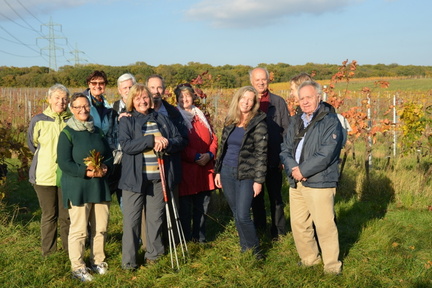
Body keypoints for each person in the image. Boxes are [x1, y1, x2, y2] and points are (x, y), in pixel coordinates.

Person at [280, 80, 343, 275]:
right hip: (296, 180)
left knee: (324, 225)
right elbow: (285, 148)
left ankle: (332, 266)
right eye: (301, 98)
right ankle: (309, 259)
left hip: (320, 181)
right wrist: (293, 169)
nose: (305, 102)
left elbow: (327, 153)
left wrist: (303, 170)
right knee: (299, 224)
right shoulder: (295, 120)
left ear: (318, 97)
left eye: (308, 97)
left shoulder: (330, 121)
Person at [118, 83, 184, 270]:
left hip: (159, 177)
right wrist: (151, 140)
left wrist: (167, 142)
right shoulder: (127, 120)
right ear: (132, 101)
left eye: (145, 97)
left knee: (155, 219)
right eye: (137, 98)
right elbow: (127, 146)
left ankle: (153, 256)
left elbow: (179, 140)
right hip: (134, 180)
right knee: (132, 221)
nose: (142, 101)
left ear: (150, 98)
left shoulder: (162, 118)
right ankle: (129, 262)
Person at [57, 92, 113, 282]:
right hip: (78, 187)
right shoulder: (67, 133)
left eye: (86, 106)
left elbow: (109, 155)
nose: (83, 110)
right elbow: (64, 163)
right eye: (78, 107)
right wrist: (85, 172)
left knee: (101, 228)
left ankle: (98, 261)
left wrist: (106, 167)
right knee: (79, 230)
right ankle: (78, 267)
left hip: (99, 186)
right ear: (72, 110)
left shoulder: (97, 131)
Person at [214, 86, 267, 258]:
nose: (246, 102)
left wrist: (258, 180)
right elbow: (223, 147)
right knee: (236, 213)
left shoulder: (258, 123)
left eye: (250, 99)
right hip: (227, 171)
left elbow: (261, 154)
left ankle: (256, 252)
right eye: (243, 98)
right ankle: (246, 249)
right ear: (238, 99)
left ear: (254, 103)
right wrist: (218, 171)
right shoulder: (230, 120)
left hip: (247, 174)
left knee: (243, 214)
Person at [27, 84, 71, 256]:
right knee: (49, 215)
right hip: (44, 176)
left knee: (66, 216)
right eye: (57, 98)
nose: (61, 101)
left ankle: (70, 251)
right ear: (49, 99)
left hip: (66, 176)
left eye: (64, 98)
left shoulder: (71, 120)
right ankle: (49, 252)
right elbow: (32, 144)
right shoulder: (38, 120)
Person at [145, 75, 188, 247]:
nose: (156, 92)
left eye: (159, 88)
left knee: (171, 205)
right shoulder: (139, 112)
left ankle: (173, 243)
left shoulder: (173, 113)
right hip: (147, 170)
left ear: (164, 89)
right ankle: (152, 245)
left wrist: (168, 144)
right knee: (151, 211)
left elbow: (183, 139)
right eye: (152, 88)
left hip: (169, 166)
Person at [249, 67, 289, 239]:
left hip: (274, 157)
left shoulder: (278, 102)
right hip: (253, 160)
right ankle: (259, 228)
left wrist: (284, 157)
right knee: (255, 197)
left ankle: (278, 231)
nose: (260, 82)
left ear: (268, 80)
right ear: (251, 82)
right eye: (257, 80)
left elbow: (287, 131)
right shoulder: (247, 102)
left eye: (263, 79)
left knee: (276, 197)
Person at [175, 83, 218, 243]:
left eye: (187, 95)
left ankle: (200, 237)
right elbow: (180, 143)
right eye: (181, 96)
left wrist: (210, 153)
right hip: (188, 169)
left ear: (193, 96)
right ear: (177, 99)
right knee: (185, 207)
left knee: (203, 204)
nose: (185, 99)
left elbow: (214, 137)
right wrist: (195, 156)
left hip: (205, 169)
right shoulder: (176, 117)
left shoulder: (200, 114)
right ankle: (185, 238)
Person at [112, 73, 137, 209]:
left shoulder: (141, 106)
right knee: (122, 198)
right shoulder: (113, 109)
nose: (128, 90)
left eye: (130, 87)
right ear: (119, 90)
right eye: (125, 88)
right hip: (118, 159)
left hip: (136, 158)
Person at [83, 70, 118, 151]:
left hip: (102, 150)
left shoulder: (108, 107)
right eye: (94, 83)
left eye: (101, 83)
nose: (98, 86)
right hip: (86, 149)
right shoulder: (81, 103)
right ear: (89, 84)